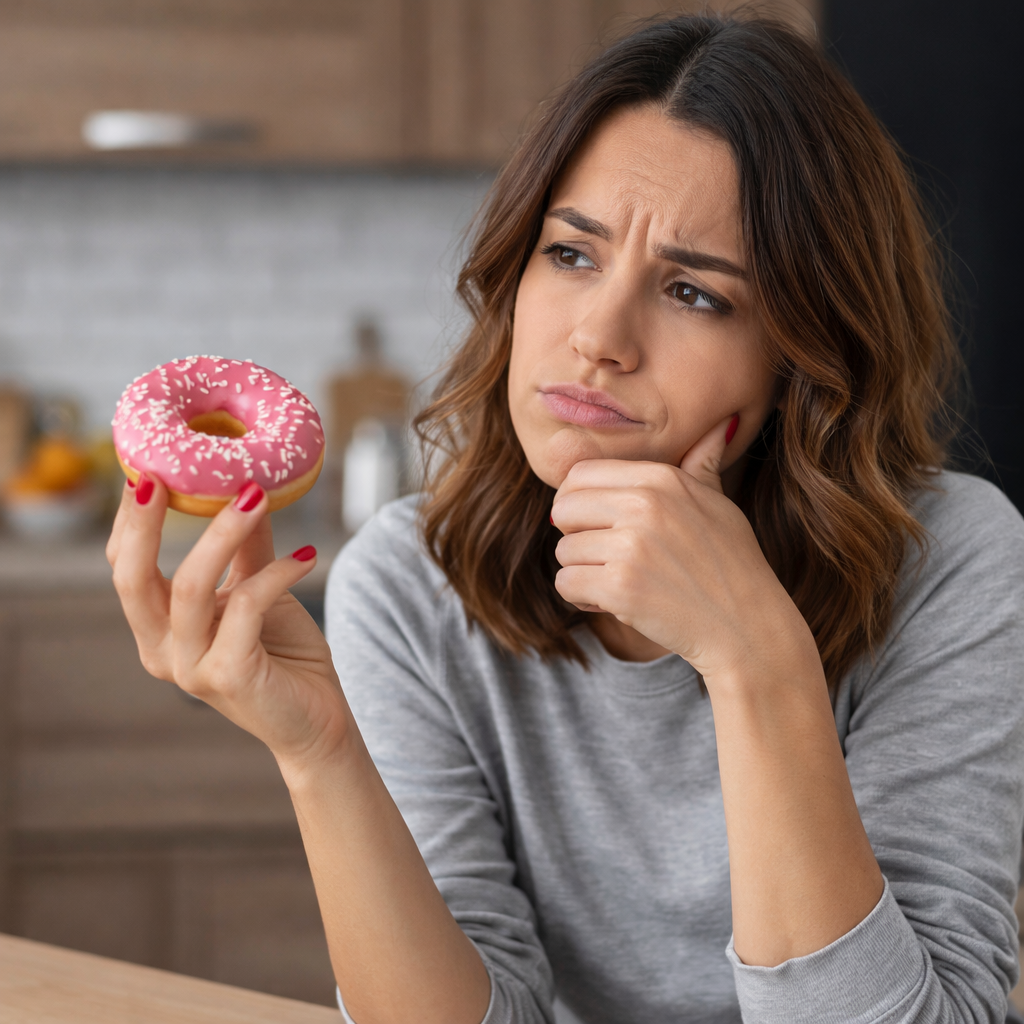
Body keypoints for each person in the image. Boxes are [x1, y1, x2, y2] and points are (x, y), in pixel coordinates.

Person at [107, 13, 1024, 1024]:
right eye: (572, 254)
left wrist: (754, 657)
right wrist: (320, 756)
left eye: (693, 291)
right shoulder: (411, 585)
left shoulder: (951, 561)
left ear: (805, 356)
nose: (599, 336)